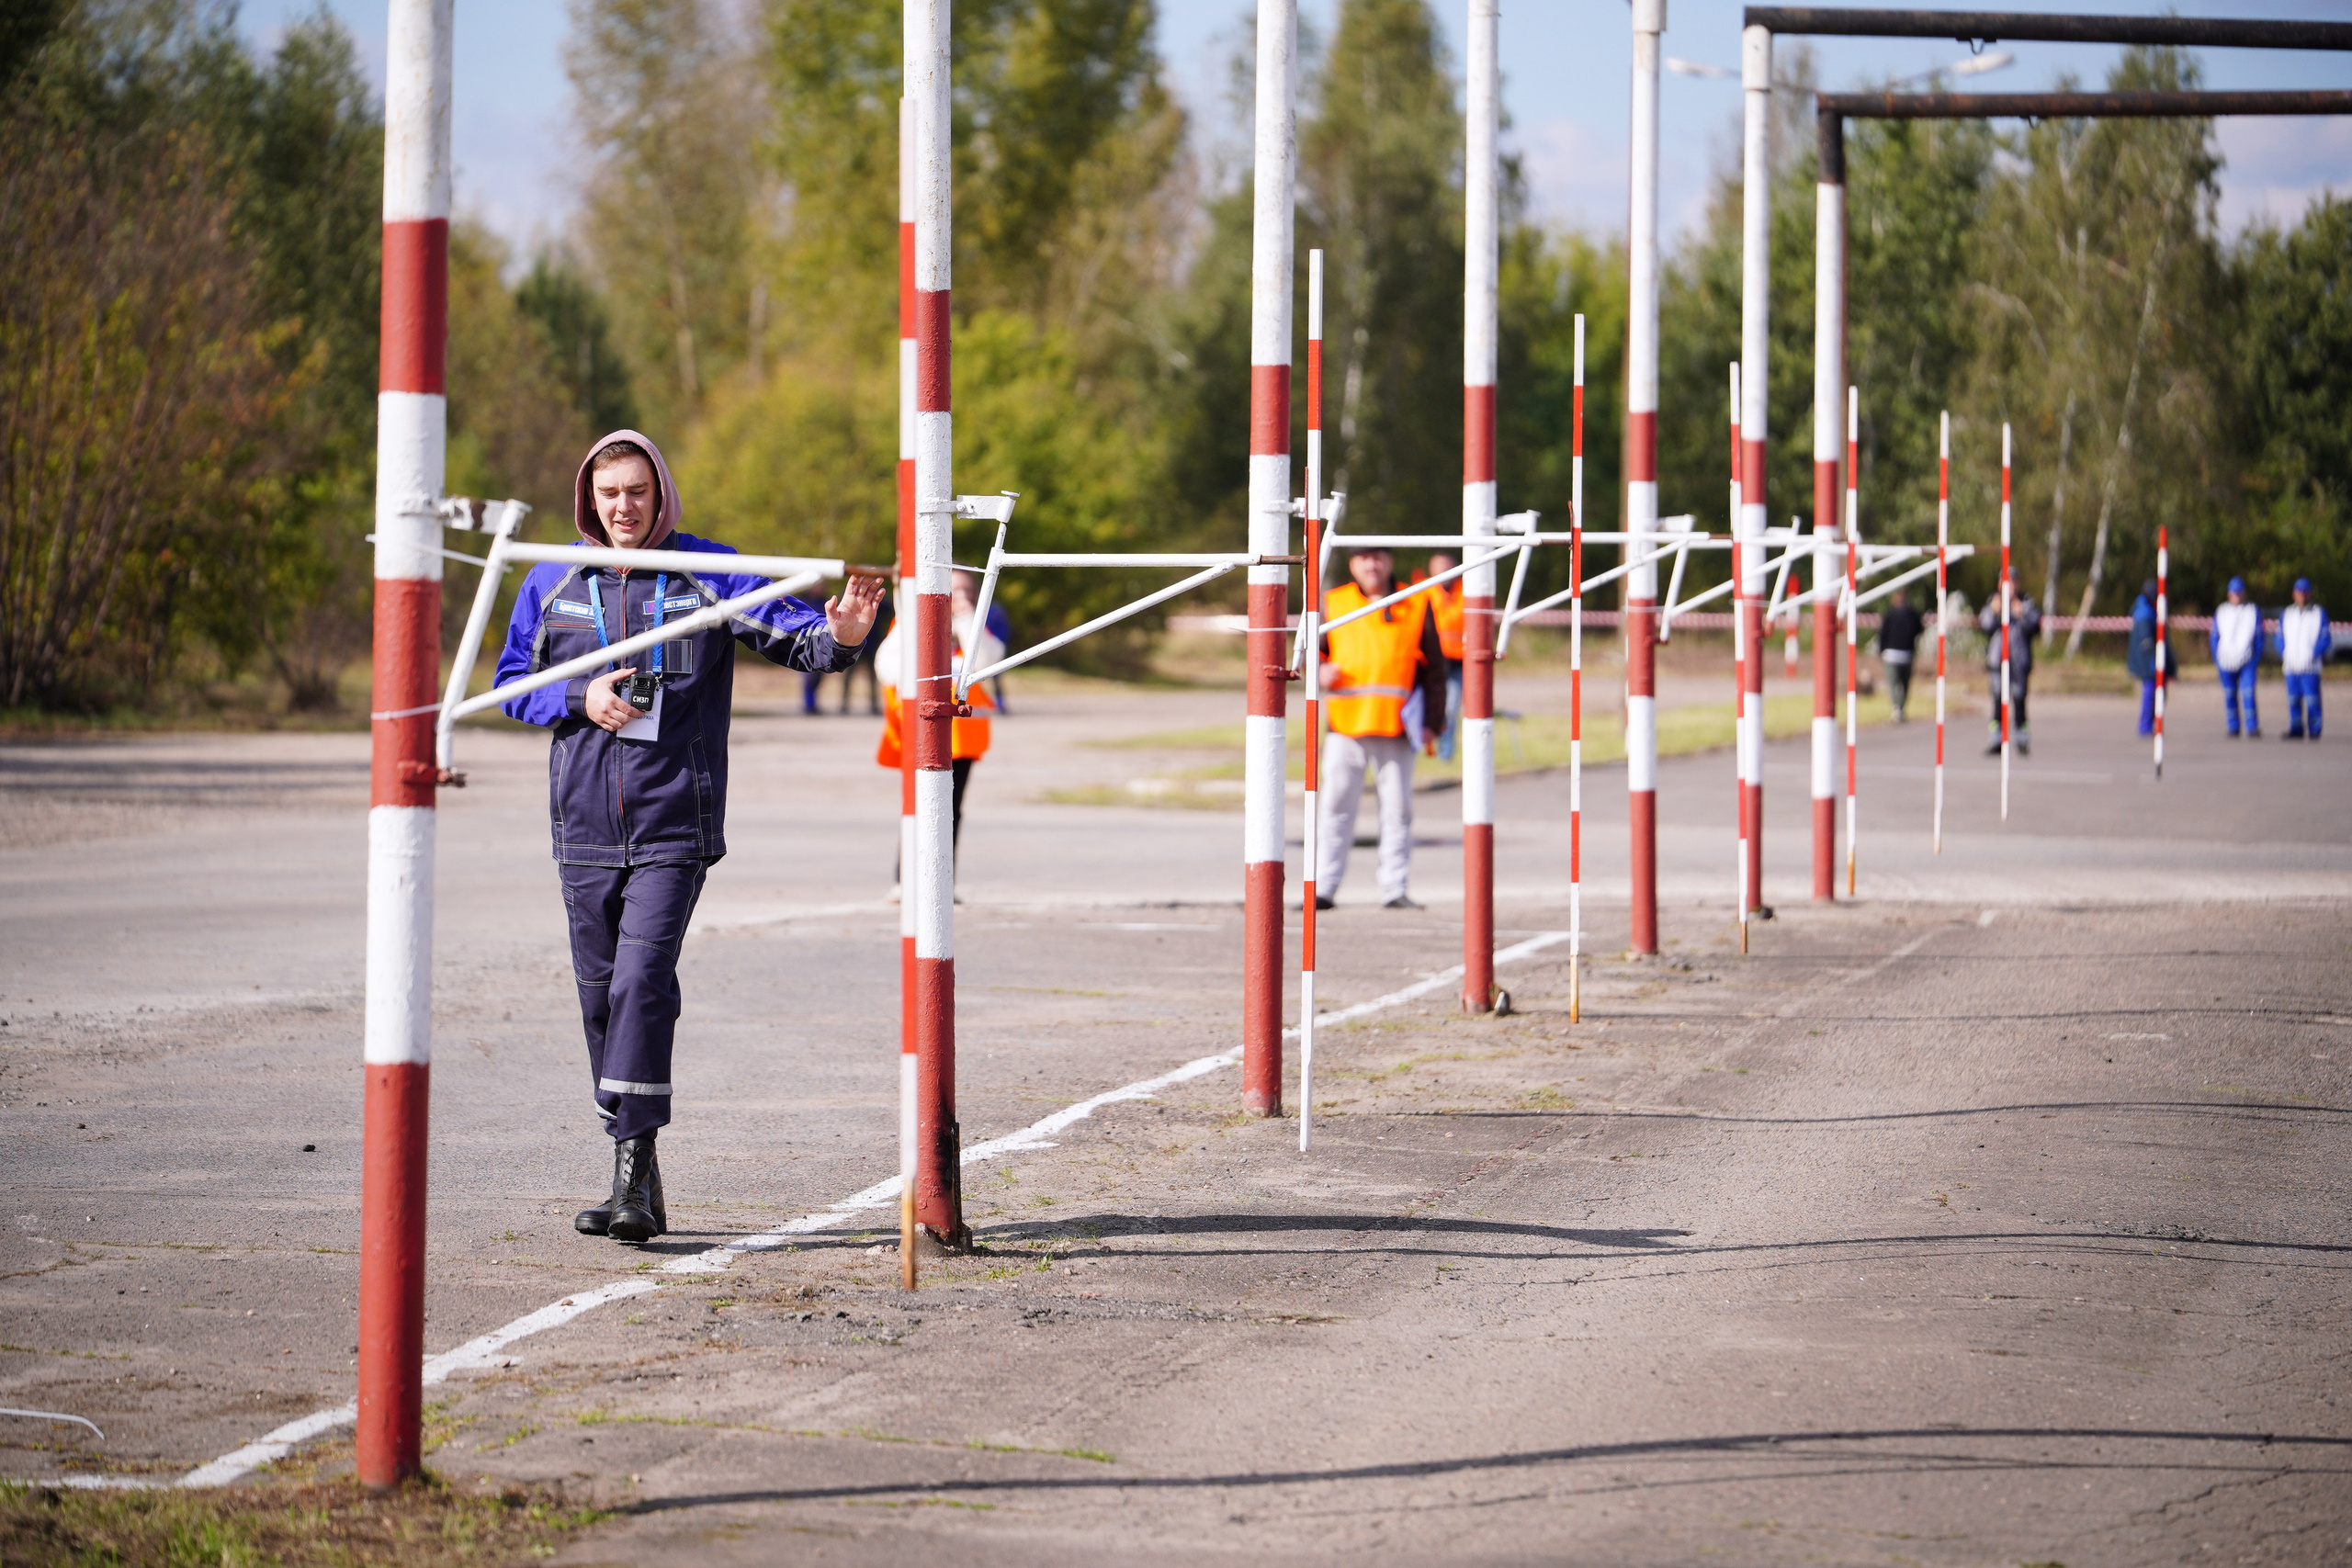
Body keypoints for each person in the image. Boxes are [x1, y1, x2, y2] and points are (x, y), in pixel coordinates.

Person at [496, 432, 881, 1244]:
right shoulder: (550, 576)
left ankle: (632, 1170)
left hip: (677, 819)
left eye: (637, 491)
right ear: (588, 501)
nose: (624, 508)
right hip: (583, 828)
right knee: (600, 999)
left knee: (641, 980)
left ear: (661, 493)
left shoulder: (711, 568)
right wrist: (579, 695)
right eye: (609, 496)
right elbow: (510, 688)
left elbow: (805, 642)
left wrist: (846, 634)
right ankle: (636, 1169)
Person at [1317, 547, 1448, 910]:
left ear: (1390, 560)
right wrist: (1318, 670)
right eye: (1363, 558)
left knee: (1398, 810)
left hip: (1397, 727)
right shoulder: (1333, 602)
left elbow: (1436, 670)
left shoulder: (1415, 602)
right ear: (1352, 564)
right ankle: (1324, 888)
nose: (1372, 564)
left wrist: (1432, 724)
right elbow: (1308, 653)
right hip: (1345, 726)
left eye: (1378, 556)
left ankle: (1394, 889)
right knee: (1335, 807)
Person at [874, 570, 1002, 861]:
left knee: (951, 808)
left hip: (961, 740)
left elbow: (986, 661)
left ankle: (944, 878)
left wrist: (968, 618)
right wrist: (917, 620)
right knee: (918, 805)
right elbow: (888, 670)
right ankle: (905, 878)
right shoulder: (908, 624)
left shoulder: (975, 628)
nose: (956, 596)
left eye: (965, 591)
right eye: (951, 588)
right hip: (920, 732)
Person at [1410, 553, 1465, 761]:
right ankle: (1419, 745)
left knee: (1450, 707)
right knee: (1420, 704)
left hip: (1456, 661)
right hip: (1428, 660)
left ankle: (1445, 751)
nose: (1444, 572)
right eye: (1439, 567)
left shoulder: (1468, 591)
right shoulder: (1422, 591)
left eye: (1448, 567)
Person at [1978, 582, 2041, 756]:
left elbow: (2035, 626)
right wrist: (1994, 611)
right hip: (1997, 663)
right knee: (1997, 703)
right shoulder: (1993, 602)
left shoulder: (2026, 603)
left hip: (2018, 664)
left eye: (2012, 583)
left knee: (2019, 703)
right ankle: (1996, 740)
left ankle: (2022, 740)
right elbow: (1985, 625)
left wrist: (2022, 614)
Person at [2211, 577, 2263, 739]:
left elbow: (2259, 637)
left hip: (2247, 660)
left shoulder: (2252, 611)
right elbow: (2214, 637)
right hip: (2226, 661)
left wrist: (2255, 659)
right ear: (2229, 594)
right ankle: (2233, 726)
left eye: (2240, 593)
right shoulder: (2221, 611)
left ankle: (2252, 726)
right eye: (2234, 593)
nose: (2237, 596)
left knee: (2248, 693)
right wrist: (2217, 659)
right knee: (2230, 694)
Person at [2279, 577, 2331, 740]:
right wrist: (2284, 652)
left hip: (2310, 667)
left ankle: (2315, 730)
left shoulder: (2318, 613)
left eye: (2305, 592)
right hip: (2291, 666)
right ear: (2294, 594)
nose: (2302, 595)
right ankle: (2296, 730)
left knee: (2312, 700)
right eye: (2299, 592)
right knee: (2293, 699)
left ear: (2309, 594)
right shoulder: (2287, 613)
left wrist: (2313, 653)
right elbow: (2279, 637)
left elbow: (2325, 638)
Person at [2126, 578, 2177, 738]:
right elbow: (2146, 643)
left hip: (2153, 661)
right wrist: (2153, 663)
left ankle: (2152, 724)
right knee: (2151, 693)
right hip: (2149, 663)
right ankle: (2145, 726)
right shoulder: (2144, 614)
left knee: (2158, 693)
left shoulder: (2148, 610)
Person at [835, 583, 888, 716]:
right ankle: (844, 703)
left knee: (872, 676)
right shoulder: (850, 595)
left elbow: (889, 607)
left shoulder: (875, 597)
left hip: (871, 643)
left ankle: (873, 704)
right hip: (854, 642)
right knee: (848, 675)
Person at [1877, 588, 1923, 723]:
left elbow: (1882, 634)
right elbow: (1919, 630)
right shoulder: (1913, 614)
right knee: (1904, 683)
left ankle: (1896, 708)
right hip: (1907, 654)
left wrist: (1881, 650)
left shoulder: (1889, 614)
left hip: (1891, 655)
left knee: (1893, 683)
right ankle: (1901, 707)